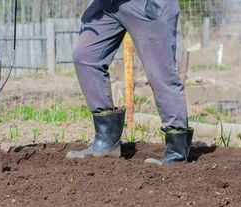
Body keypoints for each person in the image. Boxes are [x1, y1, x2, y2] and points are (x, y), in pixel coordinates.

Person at [66, 0, 193, 165]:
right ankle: (106, 142)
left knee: (160, 72)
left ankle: (177, 153)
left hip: (146, 4)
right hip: (108, 4)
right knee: (85, 56)